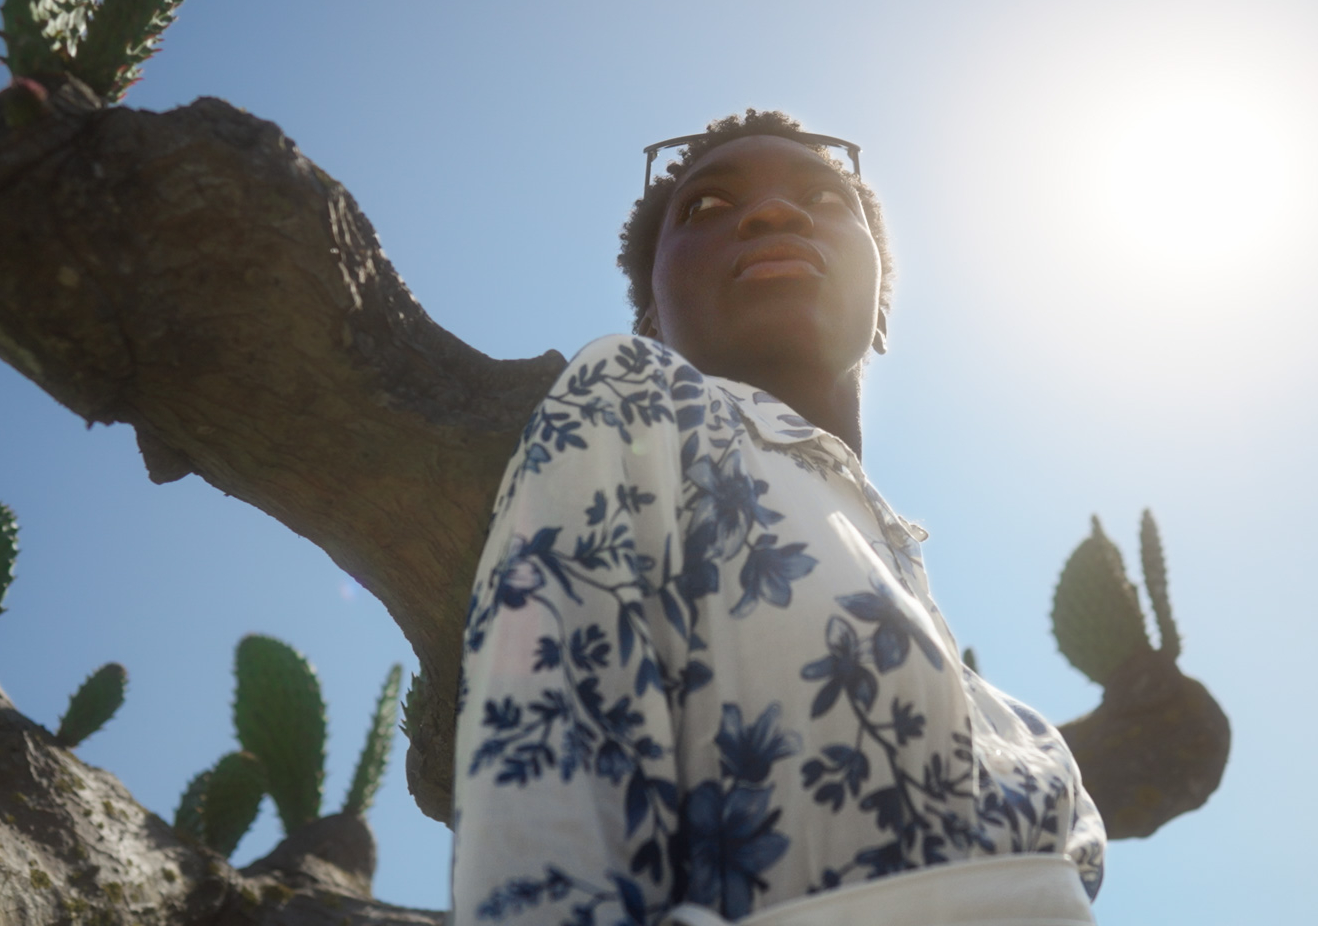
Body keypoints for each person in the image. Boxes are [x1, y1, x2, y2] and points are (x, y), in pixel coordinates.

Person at [451, 110, 1106, 925]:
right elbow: (543, 821)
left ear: (882, 307)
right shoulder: (626, 402)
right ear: (650, 314)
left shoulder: (1000, 706)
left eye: (824, 198)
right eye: (707, 207)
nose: (771, 212)